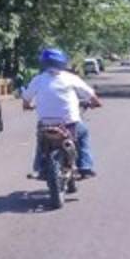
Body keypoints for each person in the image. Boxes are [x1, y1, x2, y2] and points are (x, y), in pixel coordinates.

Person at [22, 48, 102, 179]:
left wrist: (28, 106)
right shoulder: (71, 78)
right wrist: (96, 103)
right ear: (63, 63)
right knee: (83, 134)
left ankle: (40, 168)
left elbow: (26, 98)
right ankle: (85, 166)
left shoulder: (38, 79)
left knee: (42, 143)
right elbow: (91, 96)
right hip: (69, 122)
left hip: (46, 123)